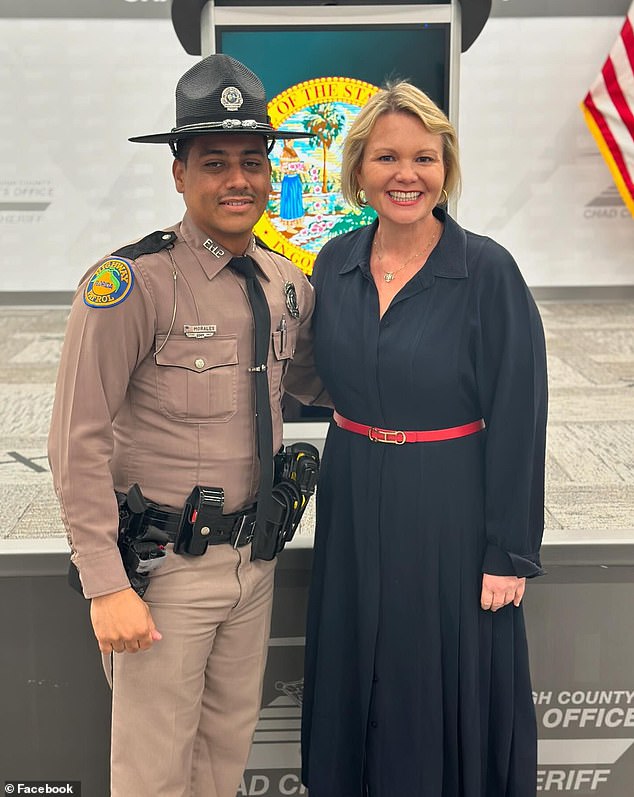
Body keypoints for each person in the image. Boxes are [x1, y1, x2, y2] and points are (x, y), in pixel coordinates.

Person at [48, 54, 324, 797]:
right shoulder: (131, 284)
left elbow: (323, 385)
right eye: (215, 162)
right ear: (178, 173)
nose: (239, 179)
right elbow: (76, 439)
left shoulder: (287, 284)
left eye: (253, 161)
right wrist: (106, 584)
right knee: (153, 776)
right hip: (166, 575)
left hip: (253, 565)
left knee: (222, 763)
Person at [301, 82, 548, 797]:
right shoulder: (334, 264)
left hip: (450, 506)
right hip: (351, 494)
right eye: (386, 157)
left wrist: (509, 552)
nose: (406, 174)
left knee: (431, 679)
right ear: (357, 172)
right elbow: (310, 378)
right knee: (359, 667)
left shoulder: (487, 271)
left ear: (447, 169)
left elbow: (520, 413)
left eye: (424, 158)